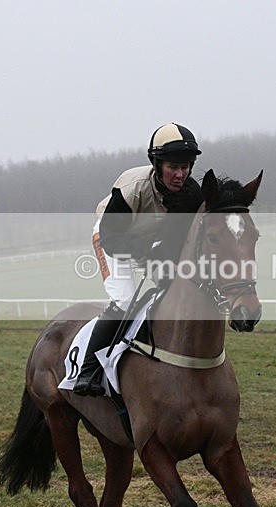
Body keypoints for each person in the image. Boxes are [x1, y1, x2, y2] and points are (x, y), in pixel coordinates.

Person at [73, 122, 204, 396]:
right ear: (157, 164)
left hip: (151, 243)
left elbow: (177, 237)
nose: (180, 175)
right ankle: (88, 370)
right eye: (172, 167)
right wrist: (150, 252)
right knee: (124, 301)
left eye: (185, 167)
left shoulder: (191, 193)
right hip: (112, 238)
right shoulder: (133, 187)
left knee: (173, 290)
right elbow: (112, 239)